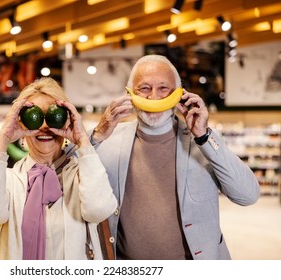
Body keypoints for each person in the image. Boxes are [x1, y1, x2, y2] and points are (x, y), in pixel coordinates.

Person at [85, 54, 260, 260]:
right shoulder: (108, 140)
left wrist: (203, 136)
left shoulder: (204, 142)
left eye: (163, 88)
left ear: (179, 94)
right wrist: (96, 136)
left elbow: (248, 195)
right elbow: (65, 179)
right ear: (130, 93)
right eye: (144, 88)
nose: (153, 97)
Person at [0, 77, 117, 260]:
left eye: (51, 117)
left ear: (65, 120)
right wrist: (3, 139)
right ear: (23, 123)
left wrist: (83, 141)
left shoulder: (83, 176)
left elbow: (100, 210)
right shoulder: (10, 180)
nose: (44, 127)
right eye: (36, 117)